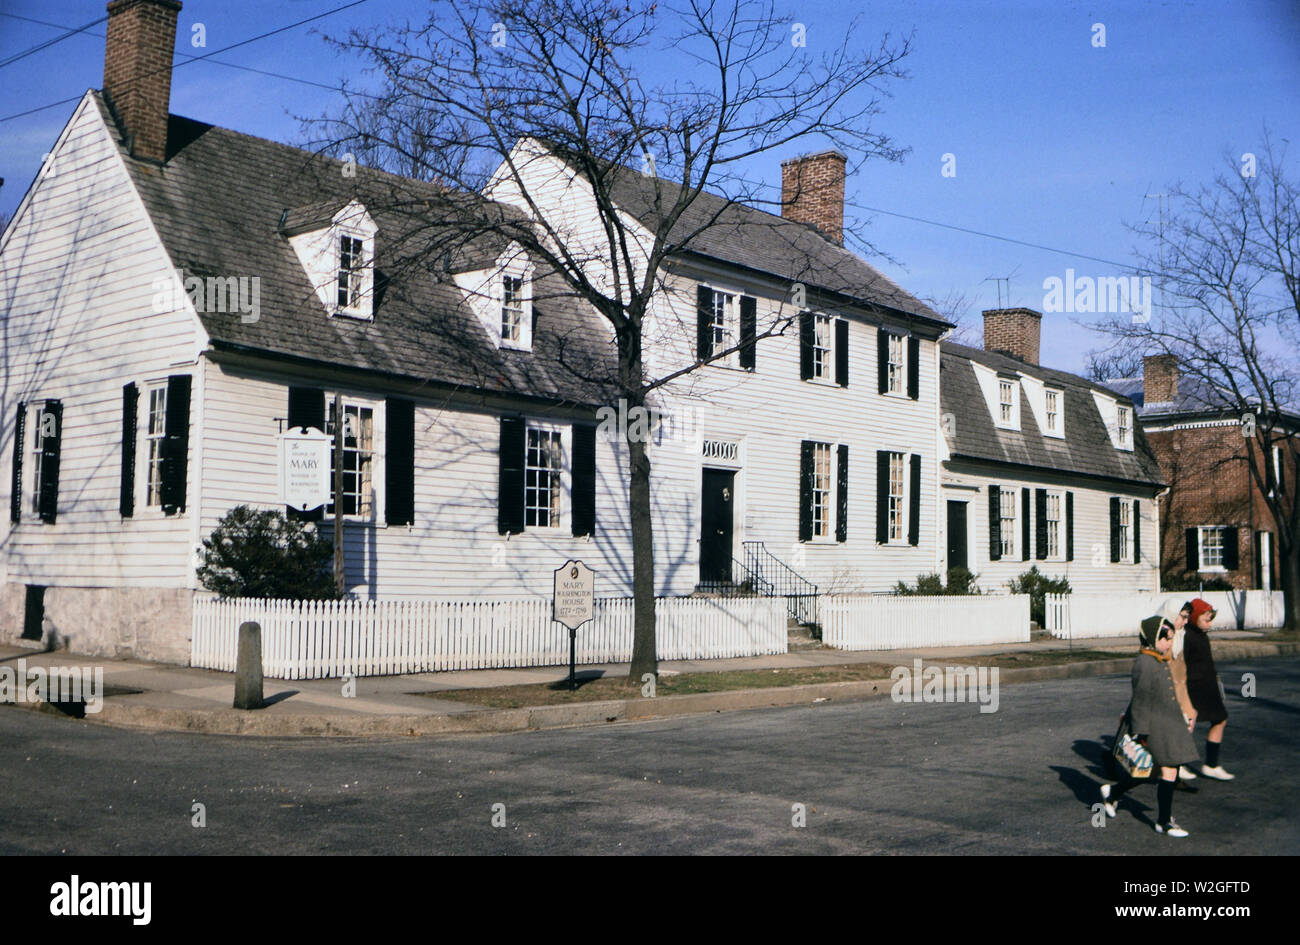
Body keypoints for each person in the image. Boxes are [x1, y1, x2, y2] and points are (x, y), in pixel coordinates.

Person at [1099, 614, 1201, 836]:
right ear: (1153, 638)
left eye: (1171, 639)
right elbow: (1141, 701)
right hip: (1154, 727)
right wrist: (1140, 733)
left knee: (1150, 770)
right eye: (1166, 638)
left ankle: (1114, 793)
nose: (1169, 643)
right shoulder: (1145, 663)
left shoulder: (1156, 659)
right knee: (1168, 770)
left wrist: (1181, 714)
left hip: (1167, 724)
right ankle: (1163, 822)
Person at [1184, 598, 1234, 780]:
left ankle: (1211, 764)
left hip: (1208, 687)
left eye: (1211, 619)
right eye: (1206, 619)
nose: (1210, 623)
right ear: (1194, 617)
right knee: (1186, 725)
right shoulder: (1187, 636)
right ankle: (1176, 764)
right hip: (1194, 688)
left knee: (1220, 719)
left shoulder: (1202, 635)